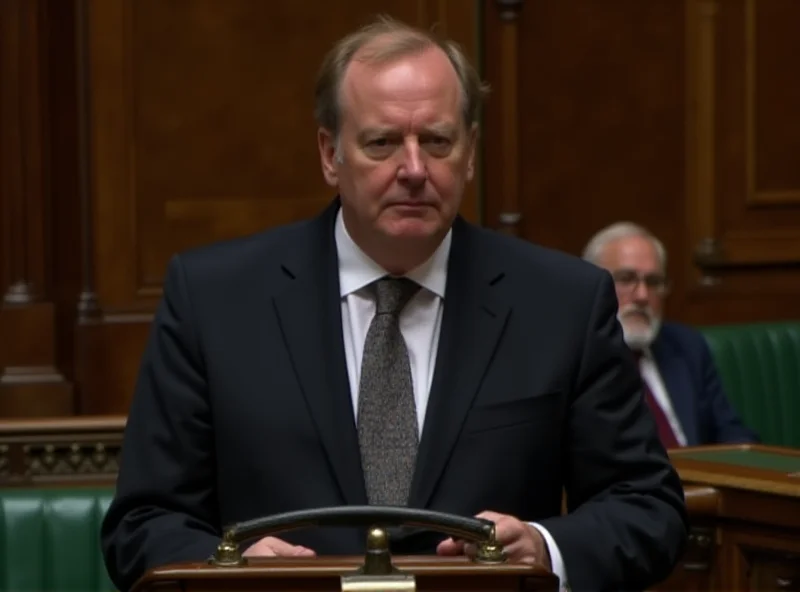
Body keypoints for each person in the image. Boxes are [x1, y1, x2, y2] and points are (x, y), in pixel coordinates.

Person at [101, 16, 688, 592]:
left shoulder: (562, 302)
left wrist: (545, 548)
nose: (413, 169)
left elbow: (647, 509)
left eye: (437, 141)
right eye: (382, 143)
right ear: (331, 154)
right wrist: (229, 567)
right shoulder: (215, 299)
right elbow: (142, 524)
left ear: (471, 153)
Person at [583, 221, 760, 447]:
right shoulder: (569, 360)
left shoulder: (687, 346)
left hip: (699, 479)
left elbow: (731, 431)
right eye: (626, 279)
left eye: (654, 282)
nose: (642, 296)